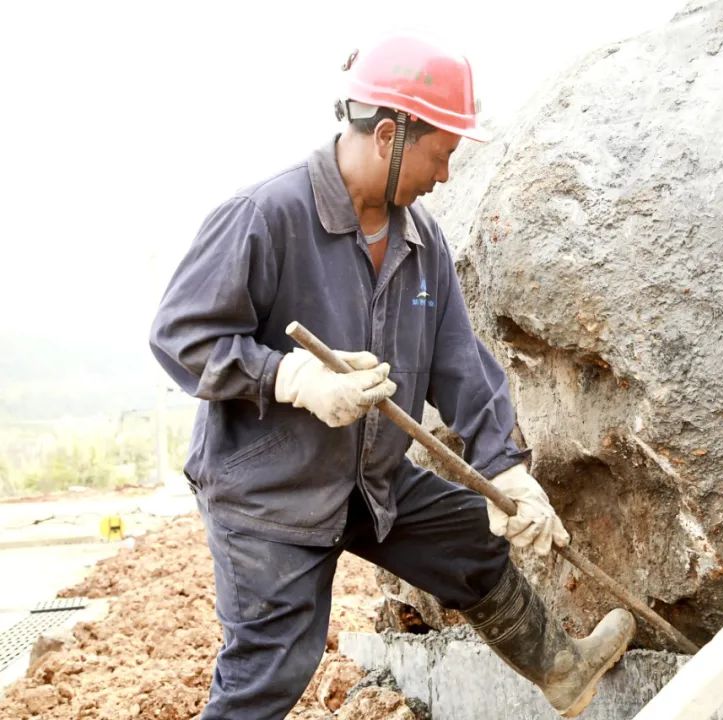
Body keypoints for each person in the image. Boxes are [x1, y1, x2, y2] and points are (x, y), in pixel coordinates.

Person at [149, 34, 634, 720]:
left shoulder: (420, 239)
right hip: (271, 492)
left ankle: (562, 670)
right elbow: (180, 336)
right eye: (441, 154)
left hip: (369, 480)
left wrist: (506, 470)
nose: (446, 174)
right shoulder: (266, 215)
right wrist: (291, 378)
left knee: (469, 539)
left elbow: (458, 362)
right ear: (388, 135)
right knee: (271, 667)